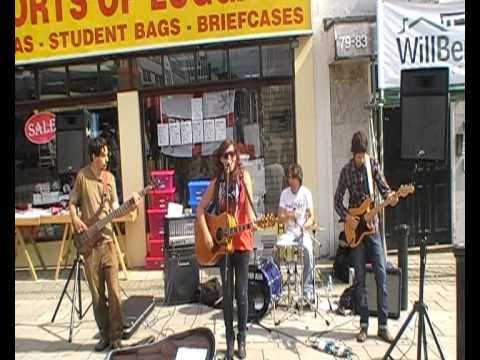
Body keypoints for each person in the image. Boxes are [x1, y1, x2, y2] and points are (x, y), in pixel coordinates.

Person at [69, 137, 140, 351]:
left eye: (107, 154)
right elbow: (72, 204)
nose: (107, 158)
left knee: (116, 292)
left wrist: (130, 205)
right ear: (94, 156)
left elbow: (116, 207)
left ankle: (116, 336)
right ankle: (104, 335)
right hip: (90, 246)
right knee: (97, 295)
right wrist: (75, 219)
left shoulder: (110, 178)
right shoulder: (82, 177)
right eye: (104, 154)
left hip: (108, 242)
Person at [334, 131, 398, 343]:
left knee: (381, 273)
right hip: (356, 231)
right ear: (353, 154)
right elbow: (337, 201)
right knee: (359, 278)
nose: (361, 159)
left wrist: (391, 197)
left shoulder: (373, 166)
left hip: (373, 228)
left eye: (363, 155)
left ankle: (382, 324)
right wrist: (347, 218)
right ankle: (363, 324)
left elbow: (384, 188)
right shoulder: (346, 171)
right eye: (358, 155)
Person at [196, 140, 256, 360]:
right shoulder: (217, 182)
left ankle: (242, 338)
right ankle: (229, 339)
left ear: (236, 157)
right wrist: (206, 233)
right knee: (227, 293)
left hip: (242, 241)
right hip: (223, 246)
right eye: (225, 156)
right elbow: (200, 209)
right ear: (220, 159)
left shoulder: (244, 177)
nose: (228, 159)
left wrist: (253, 221)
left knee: (241, 293)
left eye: (232, 155)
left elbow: (248, 208)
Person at [277, 163, 315, 303]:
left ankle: (307, 289)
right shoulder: (284, 194)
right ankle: (277, 287)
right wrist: (287, 215)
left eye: (292, 178)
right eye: (289, 178)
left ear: (298, 179)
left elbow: (312, 216)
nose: (290, 181)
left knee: (308, 251)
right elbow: (279, 217)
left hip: (302, 231)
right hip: (289, 233)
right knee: (278, 248)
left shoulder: (306, 193)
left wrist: (305, 225)